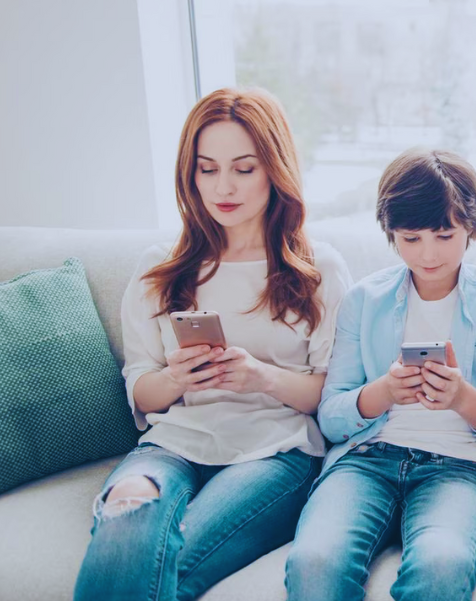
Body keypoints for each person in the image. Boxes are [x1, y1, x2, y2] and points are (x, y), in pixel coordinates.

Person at [74, 87, 352, 601]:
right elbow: (141, 387)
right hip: (174, 441)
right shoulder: (161, 269)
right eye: (207, 168)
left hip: (275, 449)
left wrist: (261, 377)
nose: (223, 186)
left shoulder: (320, 270)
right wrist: (176, 377)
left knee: (172, 558)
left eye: (244, 168)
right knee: (125, 514)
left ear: (275, 169)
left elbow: (332, 394)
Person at [284, 148, 476, 601]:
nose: (428, 254)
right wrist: (383, 392)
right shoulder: (363, 300)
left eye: (443, 234)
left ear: (472, 227)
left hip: (458, 468)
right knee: (314, 564)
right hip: (366, 460)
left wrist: (463, 399)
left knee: (442, 567)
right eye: (410, 238)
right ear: (390, 233)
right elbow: (331, 418)